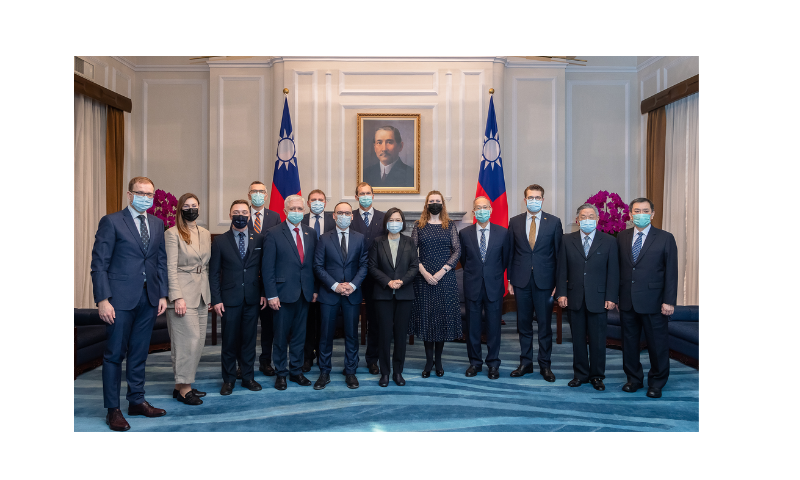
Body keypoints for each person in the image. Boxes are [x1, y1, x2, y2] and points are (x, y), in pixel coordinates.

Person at [90, 176, 168, 431]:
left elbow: (160, 262)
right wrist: (103, 299)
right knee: (114, 355)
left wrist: (163, 295)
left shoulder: (157, 224)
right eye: (141, 192)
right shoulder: (111, 222)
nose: (146, 197)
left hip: (148, 299)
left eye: (149, 194)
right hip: (119, 300)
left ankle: (136, 401)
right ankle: (113, 410)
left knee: (139, 353)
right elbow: (99, 264)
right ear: (129, 194)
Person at [616, 197, 678, 398]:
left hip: (655, 302)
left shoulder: (665, 237)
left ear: (652, 214)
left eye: (644, 211)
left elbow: (671, 272)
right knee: (630, 343)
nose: (640, 215)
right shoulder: (622, 237)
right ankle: (633, 379)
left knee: (657, 344)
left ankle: (657, 383)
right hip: (627, 301)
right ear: (630, 214)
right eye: (636, 211)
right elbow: (618, 270)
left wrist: (669, 301)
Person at [555, 203, 619, 391]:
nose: (587, 219)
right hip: (574, 297)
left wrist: (611, 296)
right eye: (583, 216)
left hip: (599, 298)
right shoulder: (567, 240)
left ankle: (597, 376)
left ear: (597, 220)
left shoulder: (608, 241)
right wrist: (561, 293)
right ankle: (580, 374)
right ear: (577, 220)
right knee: (578, 339)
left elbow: (613, 271)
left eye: (591, 216)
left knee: (598, 340)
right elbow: (561, 269)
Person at [209, 200, 267, 396]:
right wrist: (216, 299)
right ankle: (229, 379)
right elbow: (214, 273)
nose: (240, 215)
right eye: (236, 212)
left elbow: (264, 270)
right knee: (230, 341)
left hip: (252, 298)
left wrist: (263, 293)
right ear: (230, 215)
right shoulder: (219, 241)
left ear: (249, 215)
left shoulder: (258, 239)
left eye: (244, 212)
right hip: (229, 300)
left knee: (249, 340)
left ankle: (248, 377)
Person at [507, 184, 563, 382]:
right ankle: (525, 363)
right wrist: (510, 280)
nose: (534, 200)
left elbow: (559, 256)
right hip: (521, 281)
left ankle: (545, 365)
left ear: (543, 199)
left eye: (537, 197)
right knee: (523, 324)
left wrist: (558, 283)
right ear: (524, 200)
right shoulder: (514, 222)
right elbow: (510, 253)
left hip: (545, 282)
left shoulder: (554, 222)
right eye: (530, 197)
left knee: (545, 326)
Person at [262, 195, 319, 390]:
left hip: (305, 293)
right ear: (285, 211)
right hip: (281, 293)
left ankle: (296, 371)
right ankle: (281, 373)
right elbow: (267, 267)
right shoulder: (274, 233)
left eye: (299, 209)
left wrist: (314, 290)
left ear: (304, 211)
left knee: (299, 336)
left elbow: (313, 265)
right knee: (280, 336)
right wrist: (271, 294)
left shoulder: (311, 233)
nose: (296, 212)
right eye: (292, 209)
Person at [312, 202, 369, 390]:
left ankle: (350, 372)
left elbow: (364, 265)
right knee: (325, 335)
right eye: (340, 213)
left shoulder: (360, 238)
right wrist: (335, 286)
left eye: (347, 213)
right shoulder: (324, 238)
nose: (344, 215)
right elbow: (318, 266)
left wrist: (352, 285)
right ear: (334, 216)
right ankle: (324, 372)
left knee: (352, 335)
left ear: (352, 216)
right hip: (329, 294)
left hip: (352, 294)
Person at [409, 191, 462, 377]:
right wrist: (423, 272)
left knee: (441, 319)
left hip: (444, 278)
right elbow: (412, 252)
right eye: (431, 201)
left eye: (437, 201)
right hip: (423, 279)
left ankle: (438, 361)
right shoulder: (418, 225)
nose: (434, 203)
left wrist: (441, 272)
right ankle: (428, 360)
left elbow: (457, 251)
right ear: (426, 204)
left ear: (443, 204)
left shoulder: (450, 226)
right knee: (427, 319)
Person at [165, 193, 211, 405]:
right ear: (180, 209)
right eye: (187, 205)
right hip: (183, 294)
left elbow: (206, 266)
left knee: (199, 342)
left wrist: (208, 294)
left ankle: (180, 384)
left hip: (201, 294)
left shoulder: (205, 233)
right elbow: (170, 268)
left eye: (194, 205)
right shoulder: (172, 233)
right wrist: (177, 297)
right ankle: (185, 388)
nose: (191, 209)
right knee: (187, 342)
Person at [458, 197, 511, 380]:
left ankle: (493, 363)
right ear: (473, 212)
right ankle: (475, 363)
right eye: (478, 208)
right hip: (472, 285)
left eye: (485, 207)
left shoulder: (503, 233)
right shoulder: (464, 234)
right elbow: (464, 261)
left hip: (494, 286)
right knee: (472, 327)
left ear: (491, 209)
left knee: (494, 327)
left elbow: (505, 261)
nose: (481, 210)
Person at [368, 208, 419, 387]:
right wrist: (388, 282)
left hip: (404, 294)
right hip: (383, 294)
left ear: (403, 222)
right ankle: (385, 373)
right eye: (391, 219)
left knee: (400, 335)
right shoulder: (377, 242)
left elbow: (414, 266)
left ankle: (398, 372)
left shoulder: (410, 242)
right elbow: (372, 267)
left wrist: (402, 281)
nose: (395, 222)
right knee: (384, 335)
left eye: (398, 219)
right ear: (386, 222)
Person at [246, 181, 281, 378]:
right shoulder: (242, 214)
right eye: (254, 191)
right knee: (247, 328)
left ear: (266, 195)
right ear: (249, 194)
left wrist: (268, 289)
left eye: (261, 191)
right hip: (248, 280)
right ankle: (245, 362)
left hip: (268, 281)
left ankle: (266, 361)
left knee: (268, 327)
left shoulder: (274, 217)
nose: (258, 194)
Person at [350, 182, 385, 374]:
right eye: (361, 194)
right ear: (356, 197)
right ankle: (351, 359)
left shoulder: (383, 217)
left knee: (375, 320)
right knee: (351, 319)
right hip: (353, 276)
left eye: (368, 193)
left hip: (376, 278)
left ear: (373, 195)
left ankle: (372, 359)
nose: (365, 196)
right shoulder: (348, 217)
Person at [301, 189, 335, 372]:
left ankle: (323, 356)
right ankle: (307, 356)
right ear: (307, 203)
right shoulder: (300, 218)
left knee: (325, 322)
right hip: (306, 277)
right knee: (308, 320)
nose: (317, 202)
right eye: (313, 200)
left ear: (325, 203)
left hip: (329, 278)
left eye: (320, 199)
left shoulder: (334, 220)